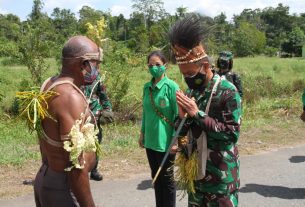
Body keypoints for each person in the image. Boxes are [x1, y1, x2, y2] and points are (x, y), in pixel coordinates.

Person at [168, 15, 242, 207]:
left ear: (206, 66)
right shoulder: (192, 91)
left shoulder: (227, 91)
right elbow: (183, 135)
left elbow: (230, 135)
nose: (187, 79)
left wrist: (197, 114)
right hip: (197, 177)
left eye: (190, 73)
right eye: (183, 75)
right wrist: (182, 119)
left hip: (220, 180)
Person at [34, 36, 101, 206]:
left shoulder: (49, 83)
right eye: (97, 63)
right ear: (83, 64)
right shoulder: (69, 96)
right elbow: (75, 166)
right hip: (64, 188)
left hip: (47, 178)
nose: (98, 68)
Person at [138, 51, 179, 207]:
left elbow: (179, 116)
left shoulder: (171, 86)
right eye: (150, 65)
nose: (154, 68)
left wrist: (175, 141)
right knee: (156, 178)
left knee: (167, 181)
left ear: (165, 66)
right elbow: (146, 113)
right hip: (150, 141)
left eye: (157, 65)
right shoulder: (146, 87)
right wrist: (142, 134)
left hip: (167, 143)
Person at [82, 55, 114, 181]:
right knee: (78, 143)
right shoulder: (75, 79)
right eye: (85, 64)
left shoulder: (97, 79)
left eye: (89, 64)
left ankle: (94, 170)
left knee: (96, 142)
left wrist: (107, 110)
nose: (88, 67)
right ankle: (80, 170)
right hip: (79, 117)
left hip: (95, 116)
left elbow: (104, 97)